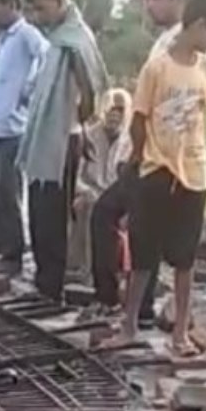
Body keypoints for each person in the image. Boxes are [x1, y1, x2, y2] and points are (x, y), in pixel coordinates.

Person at [107, 0, 206, 356]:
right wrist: (142, 161)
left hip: (193, 173)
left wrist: (202, 163)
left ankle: (180, 332)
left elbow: (204, 119)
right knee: (144, 254)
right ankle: (128, 324)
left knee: (185, 257)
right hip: (158, 170)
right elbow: (139, 119)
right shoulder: (158, 66)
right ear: (197, 24)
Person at [89, 0, 195, 324]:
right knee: (132, 227)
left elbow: (170, 110)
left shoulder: (182, 45)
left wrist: (140, 154)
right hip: (146, 155)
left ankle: (127, 306)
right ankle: (130, 305)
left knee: (123, 223)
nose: (149, 5)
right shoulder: (165, 40)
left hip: (154, 157)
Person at [18, 0, 108, 302]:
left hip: (61, 140)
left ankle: (50, 286)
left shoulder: (74, 38)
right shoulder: (59, 37)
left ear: (59, 1)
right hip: (47, 137)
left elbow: (91, 88)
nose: (37, 17)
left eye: (41, 9)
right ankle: (44, 280)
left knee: (51, 216)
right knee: (40, 211)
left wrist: (77, 124)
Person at [0, 0, 48, 277]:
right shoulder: (3, 39)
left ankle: (12, 251)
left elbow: (46, 56)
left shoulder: (26, 34)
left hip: (12, 127)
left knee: (6, 191)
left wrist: (29, 91)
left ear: (10, 4)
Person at [68, 89, 132, 286]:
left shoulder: (130, 141)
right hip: (89, 193)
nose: (115, 114)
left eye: (120, 110)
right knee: (89, 206)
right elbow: (75, 178)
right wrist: (86, 191)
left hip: (116, 198)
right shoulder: (89, 136)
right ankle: (86, 271)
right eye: (111, 109)